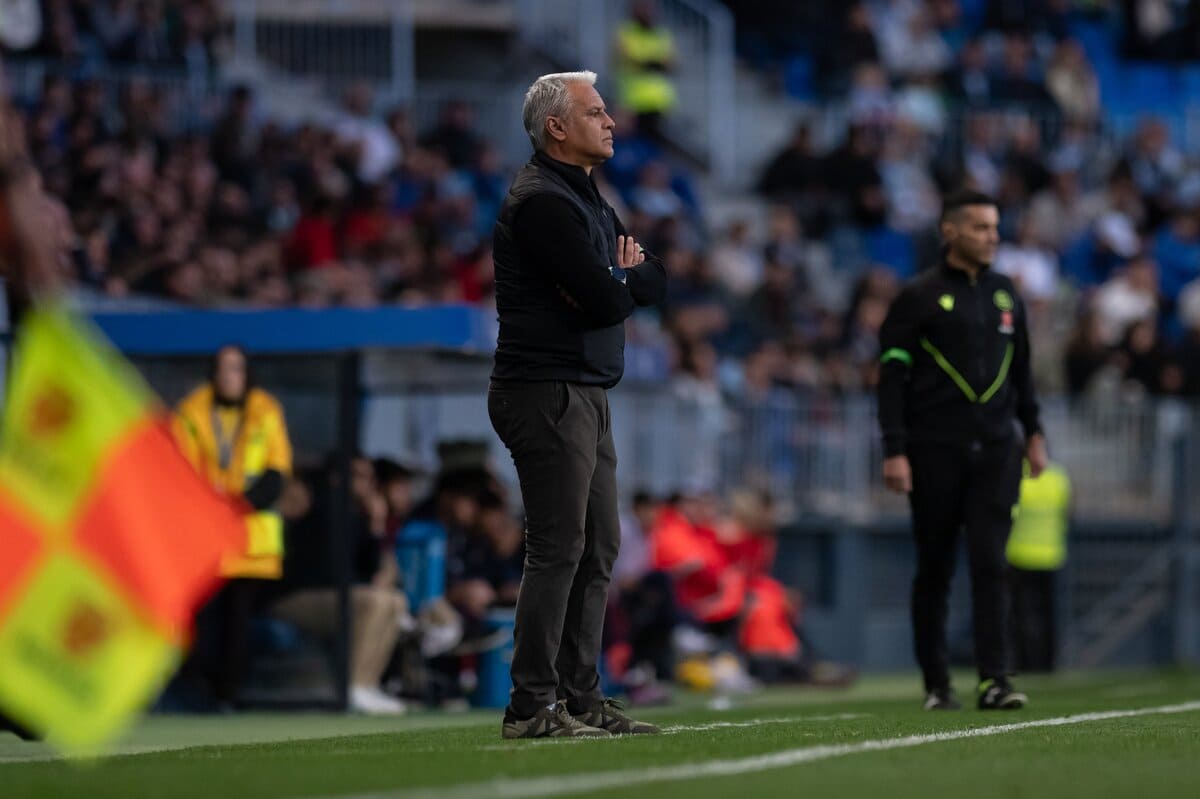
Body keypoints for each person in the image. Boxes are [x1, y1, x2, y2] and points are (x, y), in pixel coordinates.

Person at [488, 70, 666, 738]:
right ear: (556, 127)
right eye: (595, 113)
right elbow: (611, 298)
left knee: (599, 547)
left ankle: (582, 696)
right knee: (560, 547)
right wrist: (619, 276)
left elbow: (653, 277)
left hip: (585, 388)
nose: (611, 121)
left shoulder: (585, 197)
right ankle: (532, 704)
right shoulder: (541, 202)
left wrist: (619, 274)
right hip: (545, 389)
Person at [877, 189, 1048, 711]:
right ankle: (937, 684)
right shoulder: (917, 296)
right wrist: (895, 449)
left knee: (992, 563)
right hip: (934, 450)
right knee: (935, 566)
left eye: (995, 228)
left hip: (998, 449)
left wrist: (1034, 432)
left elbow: (1022, 374)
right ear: (950, 232)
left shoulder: (1005, 295)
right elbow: (891, 378)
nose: (992, 237)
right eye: (980, 228)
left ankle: (994, 679)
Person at [172, 344, 293, 707]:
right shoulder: (192, 413)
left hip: (250, 540)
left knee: (238, 623)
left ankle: (228, 696)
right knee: (198, 623)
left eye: (237, 368)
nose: (230, 376)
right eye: (224, 369)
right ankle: (194, 694)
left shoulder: (266, 412)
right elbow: (181, 470)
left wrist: (239, 506)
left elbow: (276, 472)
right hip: (205, 538)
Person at [1006, 461, 1071, 673]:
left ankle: (1024, 663)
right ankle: (1048, 663)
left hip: (1019, 556)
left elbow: (1007, 517)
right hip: (1051, 556)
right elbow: (1067, 513)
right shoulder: (1057, 478)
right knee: (1048, 615)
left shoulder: (1016, 478)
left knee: (1020, 615)